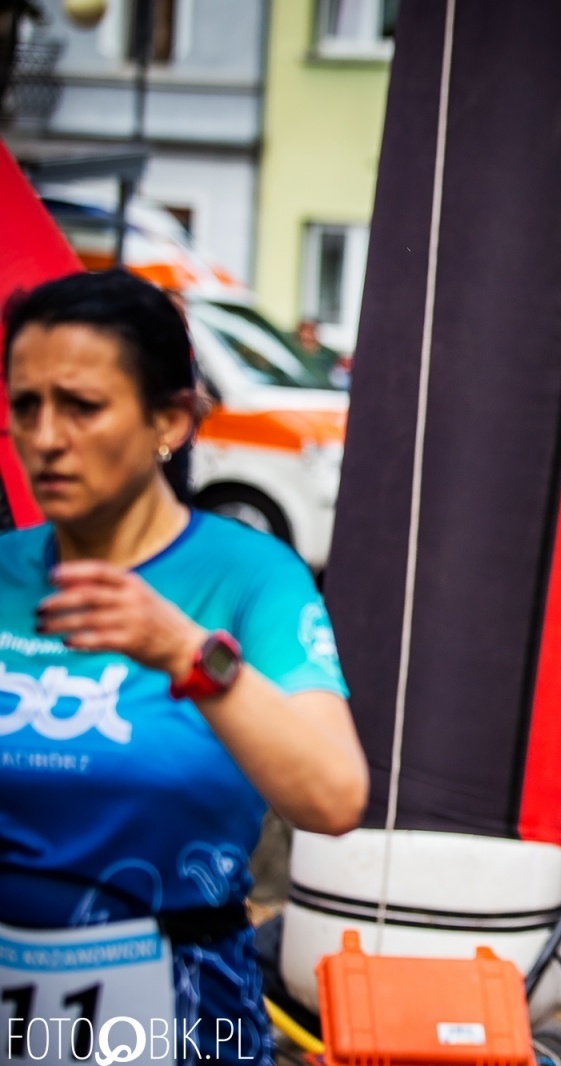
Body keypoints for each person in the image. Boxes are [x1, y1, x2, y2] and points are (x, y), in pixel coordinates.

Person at [0, 271, 369, 1063]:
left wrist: (185, 653)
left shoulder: (248, 576)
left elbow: (334, 797)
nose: (46, 437)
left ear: (170, 418)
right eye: (25, 405)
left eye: (82, 406)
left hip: (182, 1008)